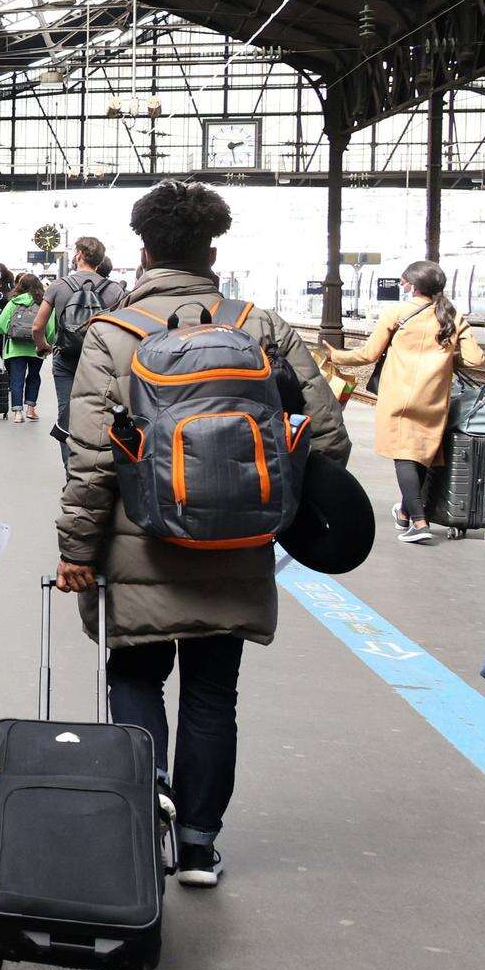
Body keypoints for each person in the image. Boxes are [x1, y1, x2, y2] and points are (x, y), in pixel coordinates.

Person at [55, 180, 351, 887]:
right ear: (211, 249)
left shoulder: (113, 336)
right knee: (214, 696)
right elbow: (328, 440)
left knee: (135, 677)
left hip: (138, 544)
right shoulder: (260, 327)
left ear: (145, 249)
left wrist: (75, 550)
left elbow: (91, 458)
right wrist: (261, 500)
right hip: (236, 547)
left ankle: (145, 799)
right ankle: (198, 845)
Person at [323, 259, 485, 544]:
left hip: (398, 396)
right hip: (434, 397)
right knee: (419, 453)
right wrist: (446, 356)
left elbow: (368, 354)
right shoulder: (452, 315)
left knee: (405, 456)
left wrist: (336, 356)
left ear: (413, 285)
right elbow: (475, 359)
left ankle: (420, 522)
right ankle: (405, 514)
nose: (401, 284)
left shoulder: (397, 312)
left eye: (404, 280)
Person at [36, 236, 122, 460]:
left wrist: (43, 346)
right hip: (101, 361)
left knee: (67, 412)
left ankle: (70, 469)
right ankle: (96, 462)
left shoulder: (59, 286)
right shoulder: (115, 290)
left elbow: (37, 326)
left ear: (79, 255)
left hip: (66, 358)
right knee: (101, 411)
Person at [0, 272, 47, 421]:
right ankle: (31, 409)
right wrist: (46, 343)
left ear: (20, 286)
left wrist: (9, 330)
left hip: (16, 348)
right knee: (34, 377)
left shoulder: (14, 302)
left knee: (17, 379)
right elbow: (50, 327)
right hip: (37, 347)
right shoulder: (43, 303)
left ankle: (17, 413)